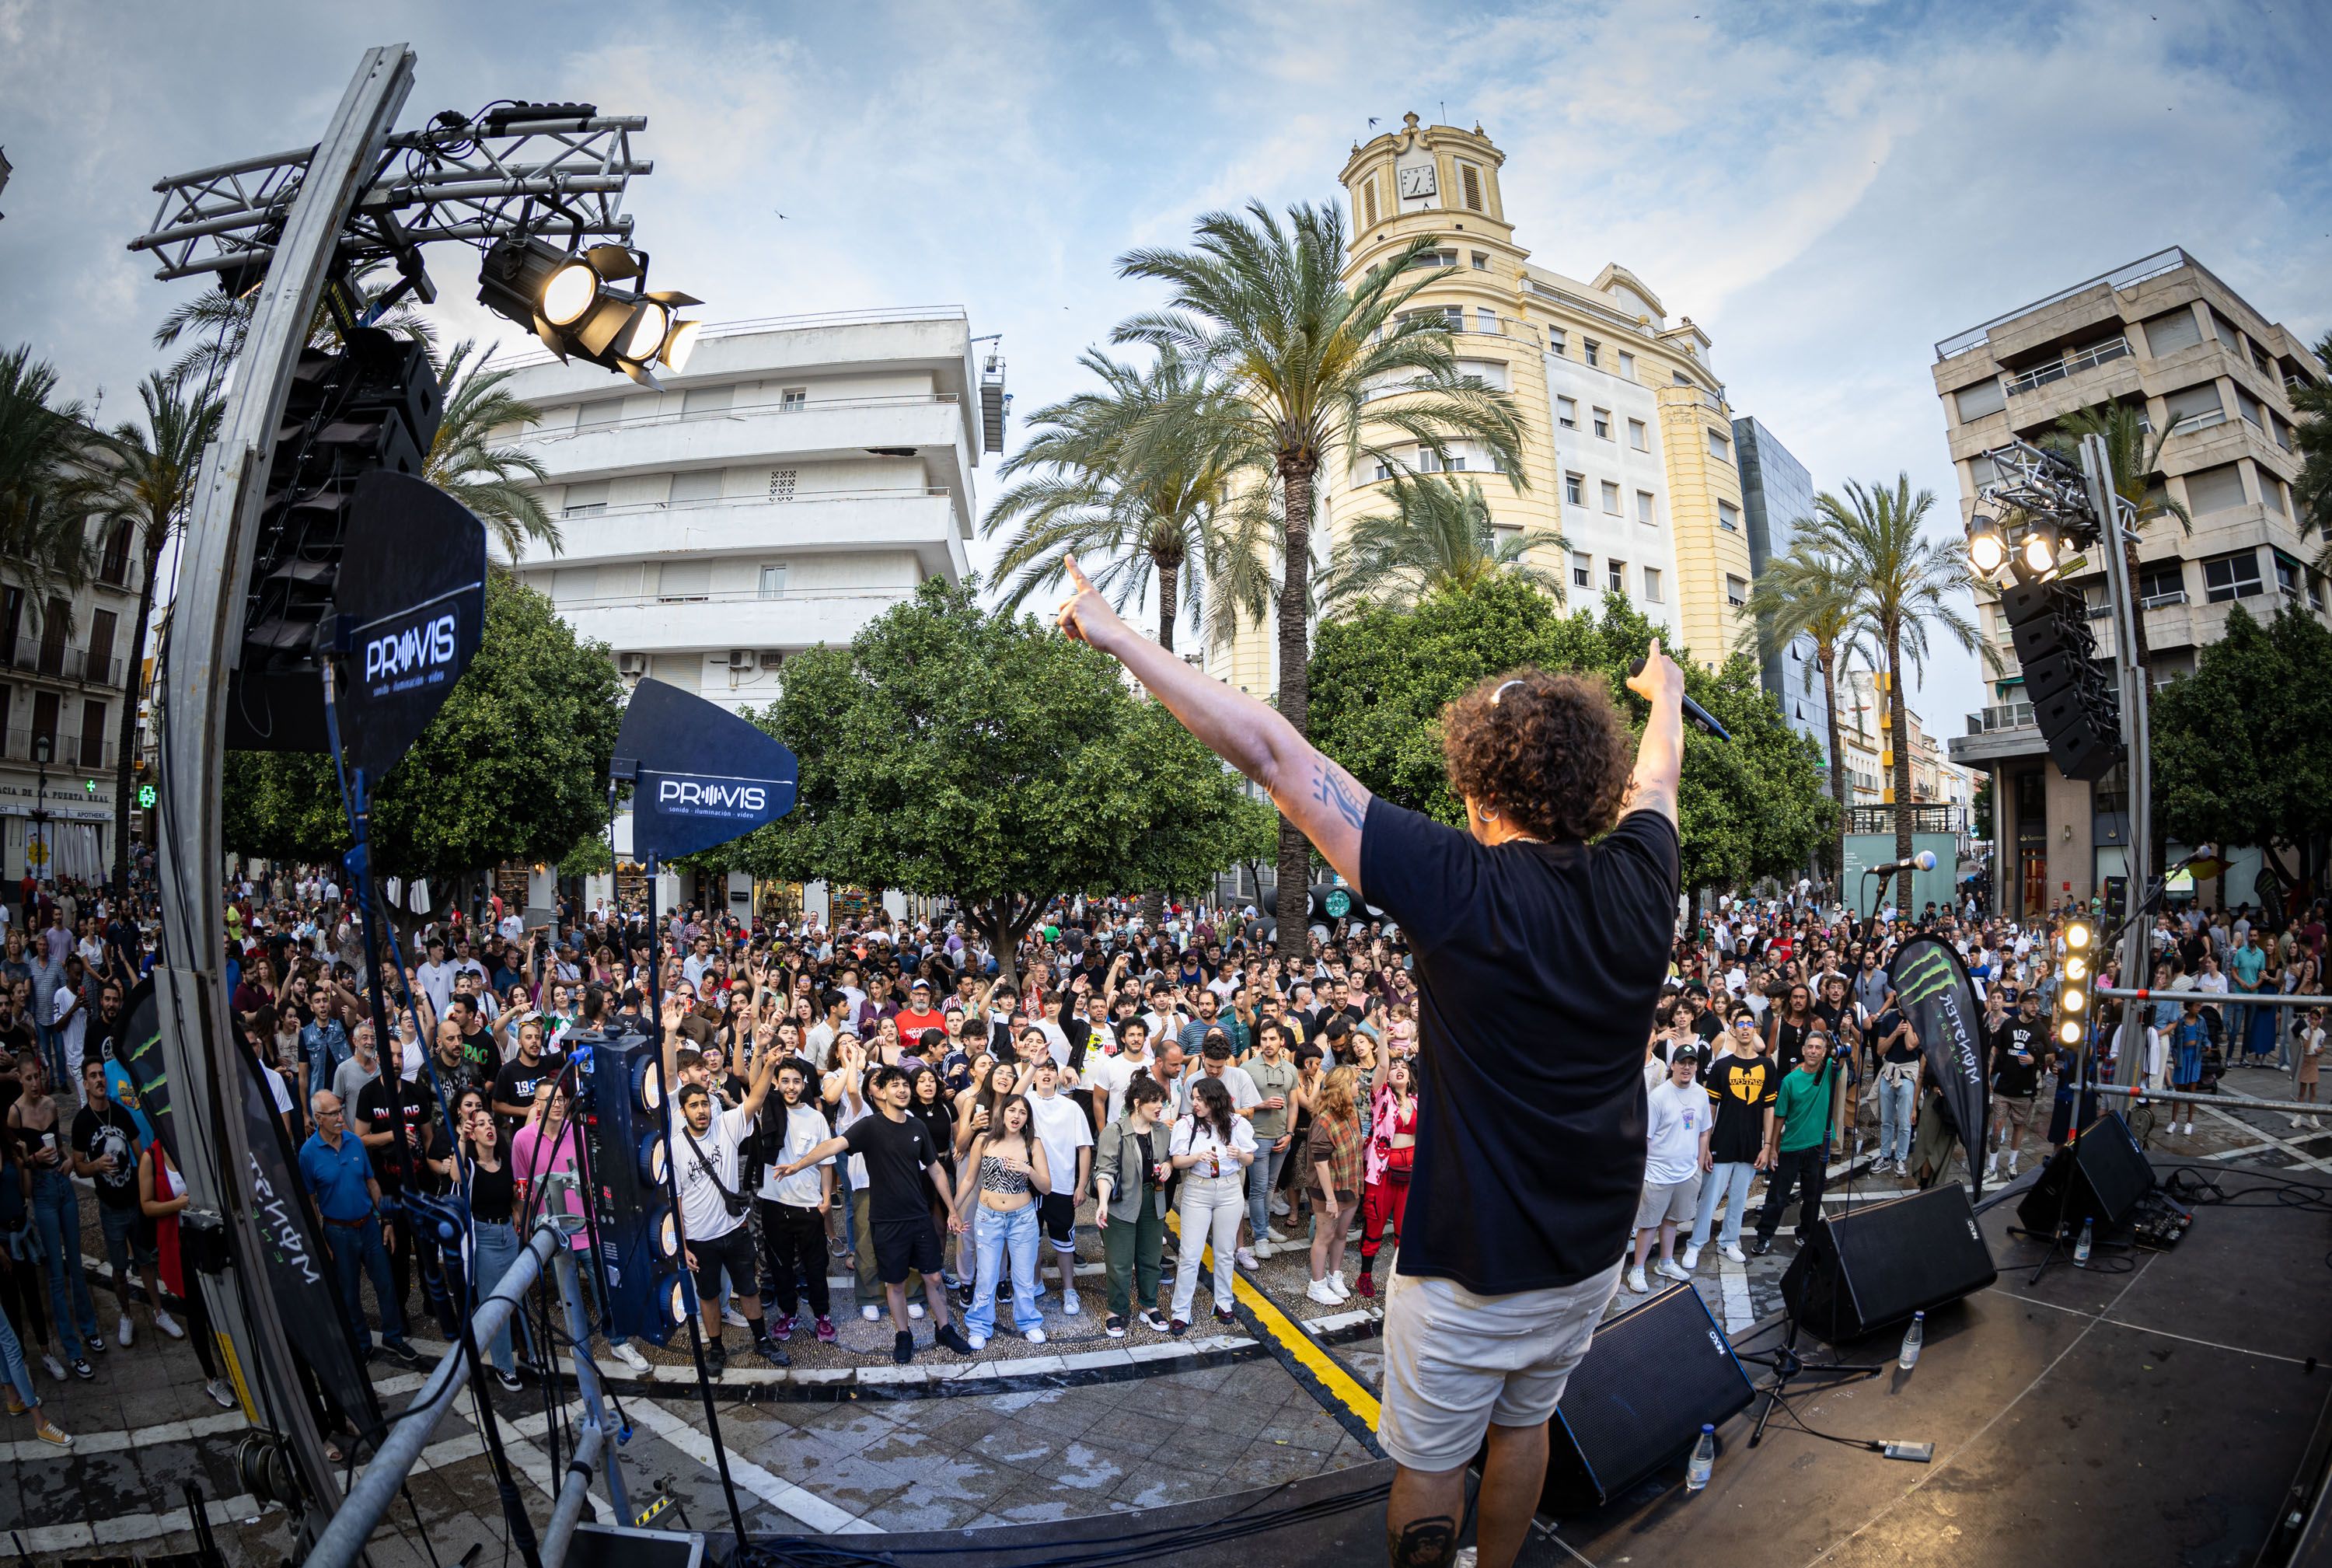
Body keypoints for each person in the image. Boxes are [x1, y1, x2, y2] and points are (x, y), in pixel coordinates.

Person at [1059, 555, 1684, 1568]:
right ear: (1594, 784)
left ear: (1478, 787)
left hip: (1474, 1262)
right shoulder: (1643, 875)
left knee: (1433, 1461)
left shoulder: (1458, 882)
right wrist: (1671, 694)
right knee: (1525, 1425)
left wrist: (1121, 633)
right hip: (1593, 1246)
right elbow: (1661, 775)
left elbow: (1275, 754)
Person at [775, 1065, 974, 1364]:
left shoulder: (917, 1127)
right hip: (886, 1219)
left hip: (918, 1216)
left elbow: (934, 1169)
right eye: (895, 1085)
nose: (903, 1090)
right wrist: (798, 1165)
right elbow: (834, 1144)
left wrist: (953, 1211)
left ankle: (944, 1329)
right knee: (894, 1283)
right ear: (882, 1091)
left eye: (905, 1085)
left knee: (933, 1276)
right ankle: (903, 1334)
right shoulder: (870, 1126)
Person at [670, 1044, 780, 1375]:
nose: (701, 1110)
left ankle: (762, 1340)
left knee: (748, 1287)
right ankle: (716, 1349)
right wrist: (683, 1244)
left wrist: (769, 1066)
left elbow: (756, 1100)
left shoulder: (726, 1127)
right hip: (700, 1238)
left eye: (704, 1103)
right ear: (684, 1111)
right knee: (709, 1296)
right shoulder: (674, 1147)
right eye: (694, 1106)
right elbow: (674, 1199)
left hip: (735, 1229)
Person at [297, 1090, 421, 1367]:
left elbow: (372, 1182)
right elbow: (309, 1201)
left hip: (369, 1226)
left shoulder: (354, 1142)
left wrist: (386, 1220)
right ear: (318, 1118)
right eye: (334, 1114)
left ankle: (393, 1336)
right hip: (338, 1233)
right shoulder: (307, 1154)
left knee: (386, 1284)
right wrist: (321, 1242)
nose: (341, 1117)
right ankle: (363, 1343)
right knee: (349, 1293)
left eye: (341, 1111)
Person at [72, 1059, 179, 1347]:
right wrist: (97, 1166)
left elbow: (137, 1150)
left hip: (132, 1200)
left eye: (101, 1076)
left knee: (145, 1260)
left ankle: (159, 1312)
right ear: (84, 1083)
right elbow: (78, 1166)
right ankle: (126, 1316)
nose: (99, 1080)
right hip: (109, 1206)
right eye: (93, 1077)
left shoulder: (120, 1113)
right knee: (119, 1269)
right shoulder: (82, 1122)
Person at [8, 1056, 99, 1375]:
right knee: (57, 1275)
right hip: (42, 1193)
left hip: (61, 1185)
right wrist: (32, 1158)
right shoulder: (15, 1114)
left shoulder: (49, 1105)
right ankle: (72, 1348)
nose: (35, 1083)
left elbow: (61, 1148)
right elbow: (19, 1165)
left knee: (76, 1265)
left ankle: (90, 1330)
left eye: (38, 1077)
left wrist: (68, 1161)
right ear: (19, 1078)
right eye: (29, 1078)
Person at [949, 1091, 1051, 1350]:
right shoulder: (983, 1140)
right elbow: (970, 1180)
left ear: (1027, 1118)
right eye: (1012, 1110)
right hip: (988, 1217)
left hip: (1023, 1218)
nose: (1016, 1116)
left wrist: (1028, 1170)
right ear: (1002, 1113)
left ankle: (1028, 1322)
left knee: (1024, 1276)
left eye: (1022, 1112)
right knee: (986, 1275)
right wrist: (953, 1209)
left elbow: (1047, 1187)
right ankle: (980, 1325)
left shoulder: (1034, 1144)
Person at [756, 1055, 838, 1345]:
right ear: (776, 1083)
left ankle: (822, 1316)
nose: (791, 1087)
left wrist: (826, 1198)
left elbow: (826, 1163)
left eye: (796, 1082)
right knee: (780, 1266)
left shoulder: (816, 1118)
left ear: (804, 1085)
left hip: (808, 1203)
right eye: (785, 1081)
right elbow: (753, 1081)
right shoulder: (765, 1109)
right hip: (774, 1202)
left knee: (815, 1264)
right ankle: (788, 1313)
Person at [1684, 1011, 1775, 1268]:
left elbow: (1770, 1109)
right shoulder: (1722, 1067)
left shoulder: (1767, 1066)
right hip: (1723, 1141)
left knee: (1739, 1196)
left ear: (1754, 1030)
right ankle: (1696, 1244)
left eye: (1750, 1024)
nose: (1745, 1028)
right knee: (1711, 1197)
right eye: (1740, 1024)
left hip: (1750, 1144)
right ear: (1733, 1030)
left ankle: (1729, 1241)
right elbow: (1710, 1109)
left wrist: (1767, 1145)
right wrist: (1707, 1146)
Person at [1168, 1074, 1255, 1330]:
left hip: (1229, 1189)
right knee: (1189, 1254)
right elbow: (1177, 1161)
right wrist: (1196, 1156)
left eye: (1200, 1098)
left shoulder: (1236, 1123)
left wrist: (1240, 1153)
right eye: (1193, 1098)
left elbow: (1249, 1159)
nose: (1195, 1103)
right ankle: (1181, 1311)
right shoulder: (1186, 1125)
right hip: (1198, 1189)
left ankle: (1224, 1303)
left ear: (1214, 1099)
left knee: (1225, 1252)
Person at [1091, 1075, 1171, 1336]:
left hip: (1154, 1201)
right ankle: (1116, 1310)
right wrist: (1102, 1203)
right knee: (1119, 1262)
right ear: (1137, 1103)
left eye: (1162, 1101)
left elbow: (1171, 1158)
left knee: (1150, 1259)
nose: (1160, 1106)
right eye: (1155, 1102)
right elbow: (1104, 1171)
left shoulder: (1162, 1131)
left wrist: (1169, 1165)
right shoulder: (1113, 1132)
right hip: (1122, 1203)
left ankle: (1149, 1306)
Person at [1750, 1031, 1842, 1255]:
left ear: (1824, 1051)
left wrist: (1842, 1034)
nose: (1813, 1051)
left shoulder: (1829, 1070)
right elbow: (1780, 1116)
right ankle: (1764, 1236)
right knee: (1778, 1195)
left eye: (1818, 1048)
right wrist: (1772, 1147)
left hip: (1818, 1145)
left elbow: (1844, 1054)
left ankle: (1806, 1234)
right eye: (1810, 1047)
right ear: (1803, 1050)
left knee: (1813, 1195)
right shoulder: (1790, 1081)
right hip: (1792, 1145)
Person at [460, 1101, 529, 1391]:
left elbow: (514, 1196)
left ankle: (530, 1356)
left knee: (521, 1299)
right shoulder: (469, 1166)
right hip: (485, 1238)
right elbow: (456, 1179)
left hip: (508, 1235)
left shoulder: (504, 1163)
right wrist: (460, 1140)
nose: (488, 1127)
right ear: (473, 1134)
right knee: (495, 1305)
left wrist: (517, 1206)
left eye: (491, 1123)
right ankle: (504, 1366)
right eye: (481, 1124)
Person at [1626, 1044, 1702, 1294]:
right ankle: (1637, 1268)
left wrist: (1698, 1166)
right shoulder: (1658, 1097)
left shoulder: (1701, 1094)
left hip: (1686, 1172)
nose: (1687, 1067)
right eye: (1682, 1062)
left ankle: (1665, 1262)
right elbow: (1645, 1139)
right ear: (1673, 1065)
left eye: (1691, 1063)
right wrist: (1641, 1174)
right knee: (1648, 1224)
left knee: (1672, 1220)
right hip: (1658, 1173)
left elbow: (1704, 1131)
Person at [1021, 1056, 1092, 1314]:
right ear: (1034, 1075)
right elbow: (1011, 1099)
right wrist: (1031, 1066)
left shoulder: (1070, 1107)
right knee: (1032, 1239)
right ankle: (1035, 1282)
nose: (1047, 1074)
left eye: (1052, 1069)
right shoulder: (1025, 1102)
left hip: (1062, 1185)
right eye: (1042, 1070)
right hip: (1030, 1184)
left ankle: (1069, 1290)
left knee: (1065, 1242)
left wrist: (1081, 1185)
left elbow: (1084, 1147)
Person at [1353, 1054, 1417, 1299]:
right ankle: (1365, 1275)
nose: (1399, 1069)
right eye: (1395, 1067)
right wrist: (1381, 1031)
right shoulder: (1382, 1099)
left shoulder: (1419, 1101)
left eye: (1404, 1067)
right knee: (1375, 1225)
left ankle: (1402, 1280)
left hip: (1411, 1173)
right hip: (1383, 1174)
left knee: (1405, 1229)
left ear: (1410, 1077)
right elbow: (1381, 1065)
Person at [1304, 1063, 1363, 1306]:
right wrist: (1330, 1199)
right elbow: (1321, 1165)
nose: (1359, 1086)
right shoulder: (1323, 1122)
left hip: (1350, 1183)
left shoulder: (1351, 1112)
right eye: (1355, 1082)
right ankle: (1316, 1285)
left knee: (1341, 1234)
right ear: (1343, 1088)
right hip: (1328, 1188)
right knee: (1325, 1236)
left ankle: (1334, 1276)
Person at [1987, 992, 2045, 1179]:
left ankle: (2012, 1164)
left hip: (2025, 1088)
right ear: (2021, 1005)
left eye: (2037, 1003)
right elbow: (1995, 1049)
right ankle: (1992, 1166)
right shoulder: (2009, 1024)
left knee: (2019, 1126)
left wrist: (2034, 1058)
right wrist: (1988, 1075)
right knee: (1997, 1125)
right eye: (2031, 1003)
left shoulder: (2040, 1028)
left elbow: (2052, 1056)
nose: (2035, 1007)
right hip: (2004, 1085)